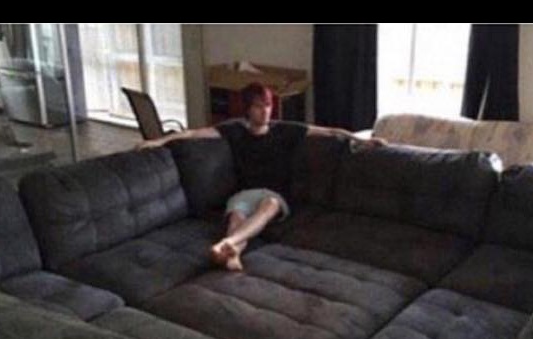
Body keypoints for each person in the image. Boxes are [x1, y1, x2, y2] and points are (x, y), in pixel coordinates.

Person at [137, 83, 386, 270]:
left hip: (274, 196)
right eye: (258, 106)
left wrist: (361, 140)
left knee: (269, 205)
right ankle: (232, 252)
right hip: (243, 194)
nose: (265, 111)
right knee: (236, 216)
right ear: (248, 108)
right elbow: (193, 134)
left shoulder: (285, 130)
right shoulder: (234, 130)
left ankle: (227, 244)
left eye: (267, 105)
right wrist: (157, 142)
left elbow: (329, 132)